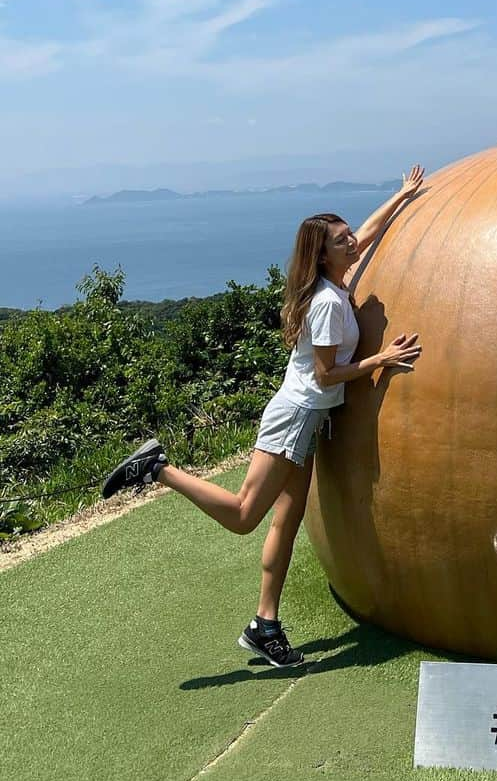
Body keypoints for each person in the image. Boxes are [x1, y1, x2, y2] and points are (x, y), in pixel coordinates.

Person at [100, 167, 425, 667]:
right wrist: (380, 362)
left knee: (286, 523)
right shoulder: (326, 305)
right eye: (344, 241)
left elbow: (369, 230)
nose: (355, 242)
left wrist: (400, 196)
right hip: (296, 415)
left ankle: (264, 625)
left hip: (308, 422)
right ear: (323, 254)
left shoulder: (335, 284)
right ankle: (156, 468)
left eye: (351, 235)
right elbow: (325, 376)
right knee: (243, 516)